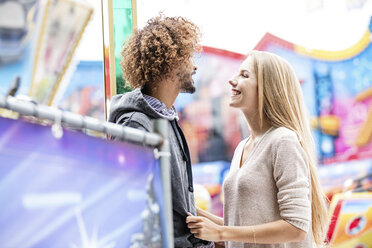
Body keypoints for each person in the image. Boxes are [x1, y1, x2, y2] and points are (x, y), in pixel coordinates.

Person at [186, 50, 328, 248]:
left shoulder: (283, 141)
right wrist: (190, 210)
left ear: (268, 88)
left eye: (244, 75)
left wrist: (220, 232)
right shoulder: (242, 147)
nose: (232, 80)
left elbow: (296, 227)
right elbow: (240, 229)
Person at [109, 14, 213, 248]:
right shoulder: (136, 124)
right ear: (170, 63)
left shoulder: (166, 119)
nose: (194, 66)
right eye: (188, 57)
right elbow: (131, 208)